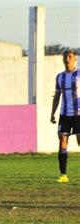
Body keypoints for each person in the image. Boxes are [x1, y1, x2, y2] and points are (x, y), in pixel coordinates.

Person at [50, 49, 79, 183]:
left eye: (70, 57)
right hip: (64, 114)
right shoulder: (59, 77)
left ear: (75, 59)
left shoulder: (79, 75)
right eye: (65, 57)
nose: (67, 59)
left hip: (78, 114)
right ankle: (63, 175)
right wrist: (53, 113)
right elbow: (57, 96)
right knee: (62, 141)